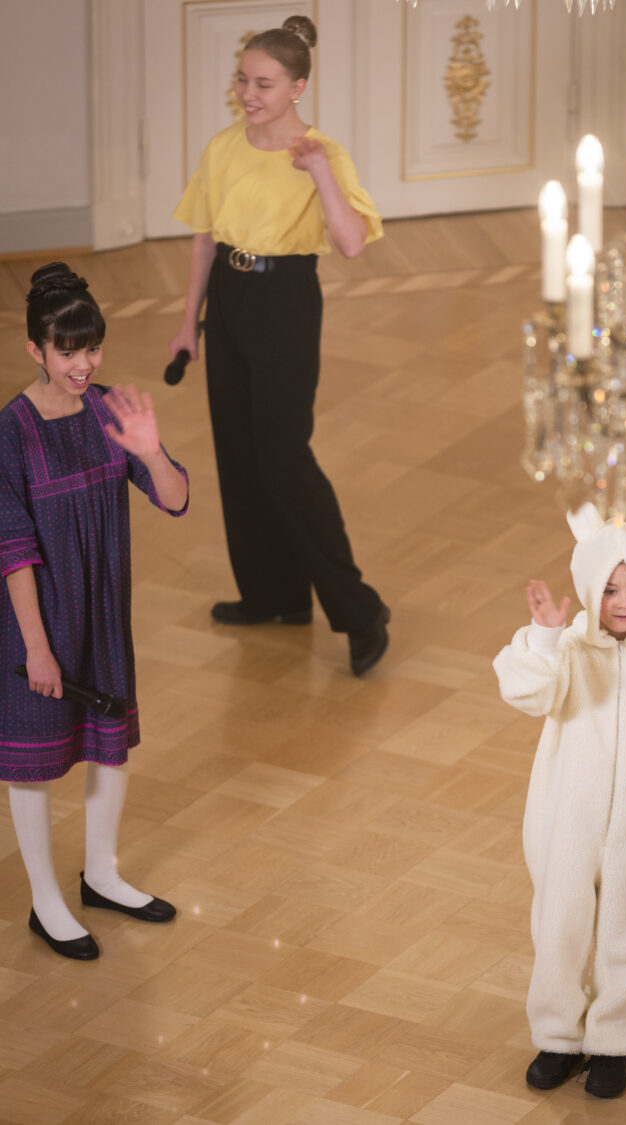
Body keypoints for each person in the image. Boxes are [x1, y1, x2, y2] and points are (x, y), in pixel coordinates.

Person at [169, 13, 389, 677]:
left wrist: (320, 172)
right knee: (239, 452)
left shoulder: (323, 152)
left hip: (287, 299)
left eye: (263, 82)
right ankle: (274, 594)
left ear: (297, 87)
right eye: (242, 79)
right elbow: (206, 239)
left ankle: (359, 610)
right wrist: (189, 322)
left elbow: (351, 243)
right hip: (230, 302)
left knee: (283, 457)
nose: (248, 92)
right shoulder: (222, 146)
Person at [492, 503, 626, 1098]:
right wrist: (540, 634)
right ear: (590, 588)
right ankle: (558, 1034)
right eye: (610, 588)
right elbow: (528, 691)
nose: (622, 601)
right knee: (560, 925)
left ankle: (614, 1038)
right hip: (565, 819)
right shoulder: (567, 650)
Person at [0, 262, 189, 961]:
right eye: (68, 352)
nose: (84, 365)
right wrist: (37, 649)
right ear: (36, 351)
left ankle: (102, 872)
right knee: (32, 760)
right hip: (36, 623)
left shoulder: (113, 411)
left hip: (102, 609)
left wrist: (149, 451)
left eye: (92, 349)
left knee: (108, 738)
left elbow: (172, 496)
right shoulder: (10, 434)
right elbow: (13, 551)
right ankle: (45, 899)